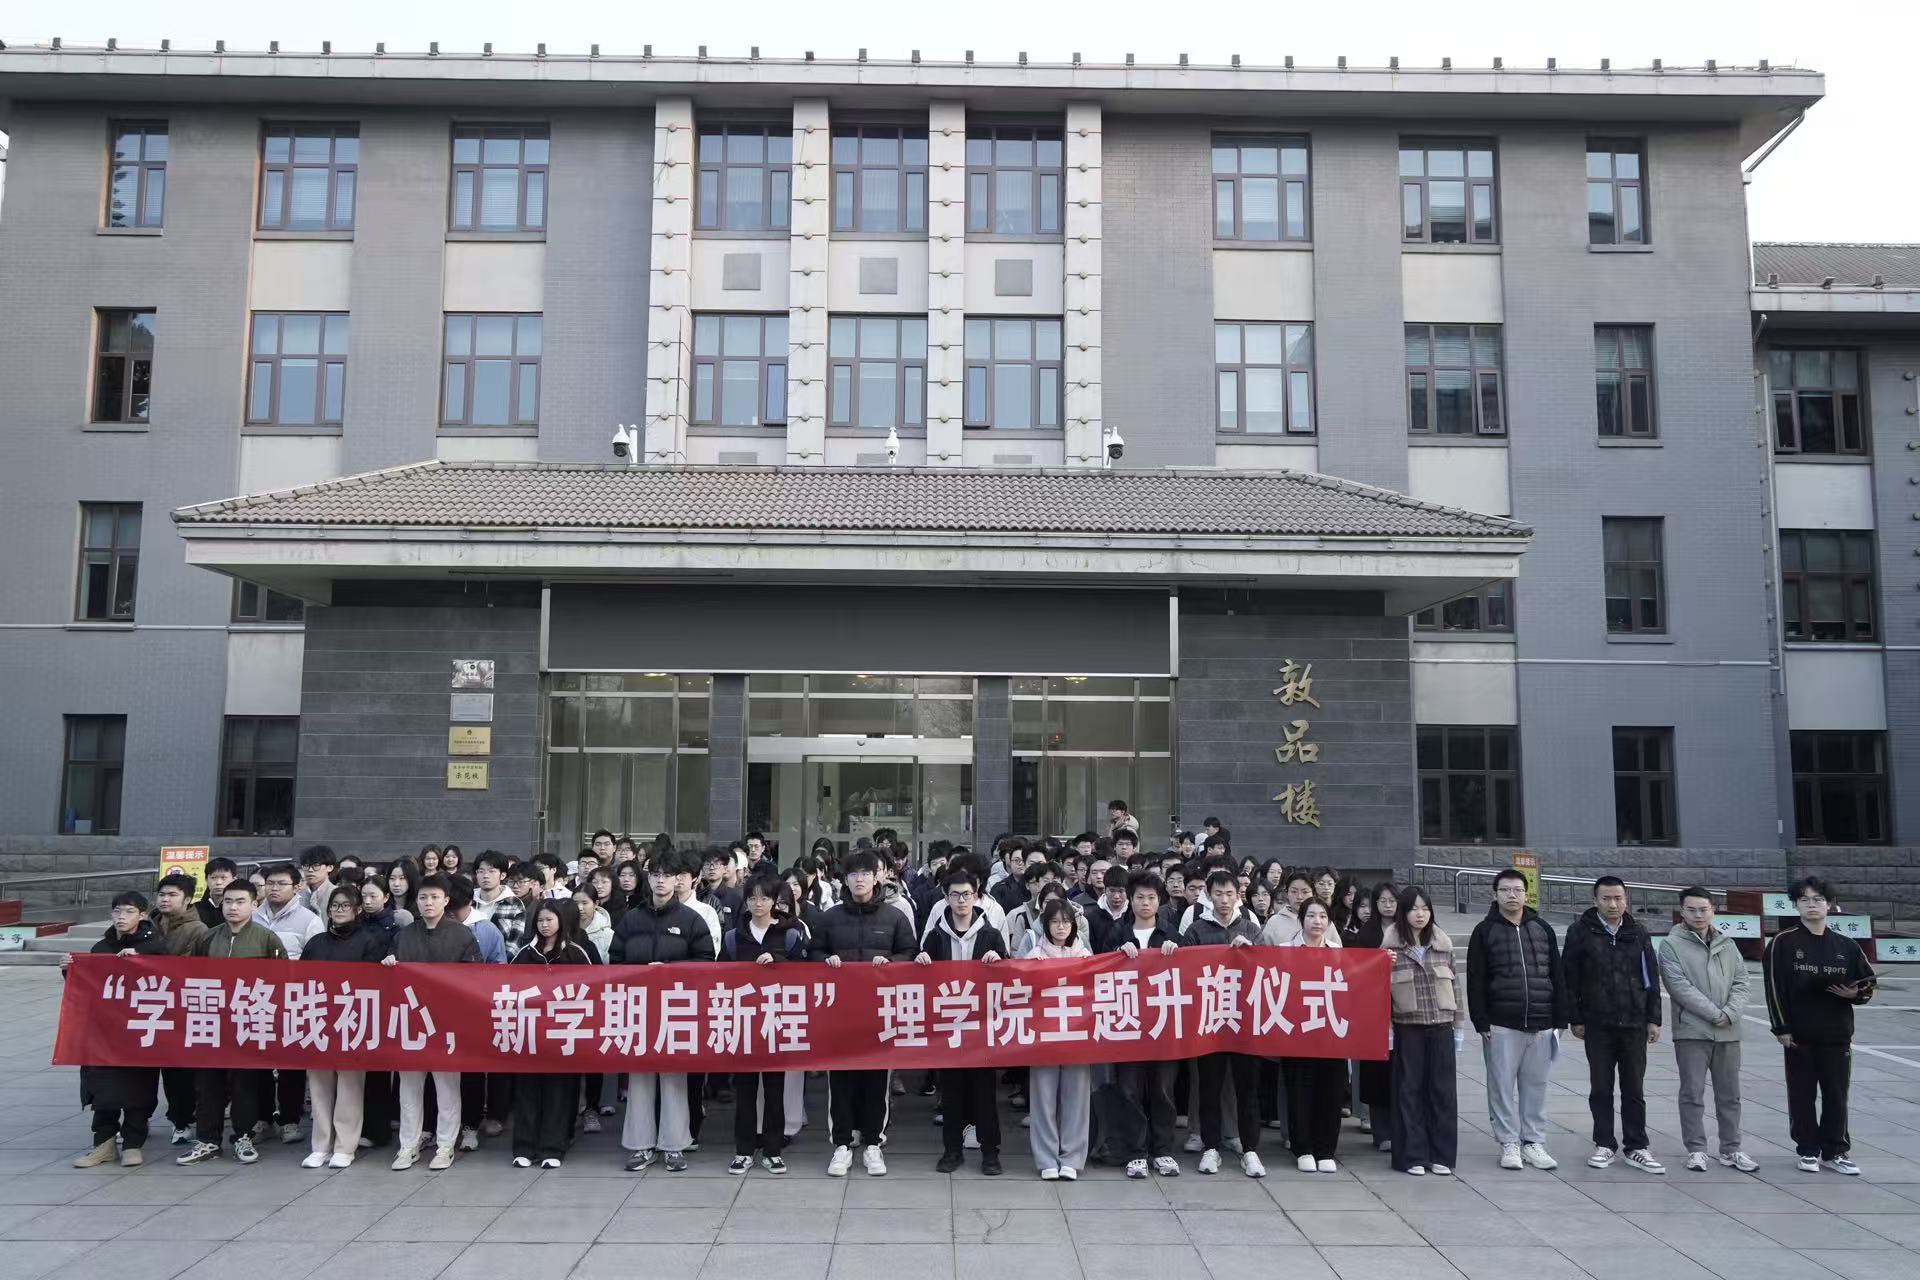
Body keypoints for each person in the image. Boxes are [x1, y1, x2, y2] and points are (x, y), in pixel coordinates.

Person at [812, 849, 917, 1177]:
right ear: (845, 879)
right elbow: (813, 952)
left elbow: (910, 952)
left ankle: (874, 1143)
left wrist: (892, 964)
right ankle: (842, 1145)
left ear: (878, 877)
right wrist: (825, 961)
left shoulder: (894, 916)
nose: (860, 879)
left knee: (876, 1081)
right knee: (840, 1081)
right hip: (839, 1013)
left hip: (880, 1014)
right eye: (854, 873)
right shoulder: (830, 917)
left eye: (866, 873)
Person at [611, 848, 715, 1173]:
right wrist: (638, 975)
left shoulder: (690, 919)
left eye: (667, 875)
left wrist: (670, 971)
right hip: (639, 1007)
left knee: (673, 1078)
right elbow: (615, 960)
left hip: (676, 1008)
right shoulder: (632, 918)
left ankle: (674, 1145)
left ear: (679, 879)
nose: (661, 881)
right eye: (655, 874)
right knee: (640, 1077)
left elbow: (705, 961)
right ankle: (641, 1145)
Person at [1764, 875, 1876, 1175]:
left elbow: (1868, 983)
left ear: (1829, 905)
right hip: (1799, 1035)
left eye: (1818, 900)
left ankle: (1835, 1150)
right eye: (1804, 900)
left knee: (1837, 1095)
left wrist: (1856, 994)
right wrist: (1781, 1027)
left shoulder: (1847, 945)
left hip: (1837, 1033)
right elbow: (1774, 988)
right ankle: (1808, 1149)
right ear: (1796, 905)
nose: (1811, 905)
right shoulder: (1782, 943)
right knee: (1801, 1094)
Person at [177, 879, 287, 1166]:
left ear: (254, 904)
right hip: (212, 1022)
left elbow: (281, 982)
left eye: (240, 901)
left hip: (248, 1023)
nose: (233, 907)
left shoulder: (267, 939)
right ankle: (207, 1140)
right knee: (207, 1085)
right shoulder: (208, 938)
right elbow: (192, 975)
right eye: (228, 901)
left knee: (244, 1085)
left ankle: (243, 1136)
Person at [1467, 868, 1568, 1172]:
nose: (1512, 895)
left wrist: (1561, 1018)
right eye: (1505, 890)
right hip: (1501, 1023)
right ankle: (1508, 1142)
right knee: (1500, 1086)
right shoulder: (1484, 931)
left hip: (1541, 1021)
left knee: (1536, 1085)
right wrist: (1481, 1021)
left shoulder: (1542, 928)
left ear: (1526, 894)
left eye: (1517, 890)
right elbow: (1475, 979)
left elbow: (1557, 975)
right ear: (1495, 894)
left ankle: (1533, 1142)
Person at [1563, 876, 1665, 1174]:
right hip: (1598, 1023)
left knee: (1634, 1087)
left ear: (1626, 899)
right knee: (1601, 1087)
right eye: (1606, 898)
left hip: (1634, 1022)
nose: (1613, 904)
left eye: (1618, 898)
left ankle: (1636, 1145)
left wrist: (1653, 1018)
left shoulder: (1638, 932)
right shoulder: (1580, 932)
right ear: (1595, 900)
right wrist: (1576, 1018)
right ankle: (1604, 1143)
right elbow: (1570, 978)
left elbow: (1650, 977)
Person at [382, 873, 480, 1171]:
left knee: (447, 1088)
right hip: (411, 1021)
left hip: (447, 1023)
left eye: (435, 897)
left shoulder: (462, 935)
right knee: (409, 1088)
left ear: (446, 900)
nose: (428, 902)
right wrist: (388, 964)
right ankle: (408, 1145)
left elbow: (474, 978)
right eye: (423, 897)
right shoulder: (405, 935)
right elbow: (389, 976)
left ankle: (445, 1145)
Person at [916, 868, 1009, 1177]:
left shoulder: (990, 934)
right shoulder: (936, 935)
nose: (961, 900)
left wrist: (999, 960)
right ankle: (952, 1151)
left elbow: (1009, 974)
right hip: (949, 1027)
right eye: (954, 895)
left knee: (984, 1093)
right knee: (952, 1092)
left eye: (966, 894)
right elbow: (921, 977)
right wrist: (921, 961)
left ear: (976, 895)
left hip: (981, 1026)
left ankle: (990, 1152)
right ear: (946, 898)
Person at [1658, 887, 1757, 1173]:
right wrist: (1716, 1014)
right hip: (1692, 1031)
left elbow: (1742, 981)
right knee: (1692, 1093)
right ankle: (1696, 1149)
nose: (1698, 915)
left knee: (1730, 1094)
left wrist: (1730, 1013)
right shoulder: (1671, 945)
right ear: (1682, 912)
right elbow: (1679, 987)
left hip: (1728, 1031)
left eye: (1703, 909)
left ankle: (1731, 1149)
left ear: (1713, 910)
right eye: (1691, 910)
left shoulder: (1727, 943)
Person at [68, 892, 165, 1167]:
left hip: (141, 1027)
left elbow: (169, 976)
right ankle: (104, 1144)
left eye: (128, 912)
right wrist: (70, 970)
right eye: (117, 912)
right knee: (103, 1086)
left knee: (138, 1086)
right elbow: (87, 985)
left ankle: (133, 1143)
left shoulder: (156, 946)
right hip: (105, 1030)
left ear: (142, 915)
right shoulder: (101, 947)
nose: (121, 917)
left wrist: (141, 959)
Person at [1182, 868, 1265, 1177]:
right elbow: (1186, 970)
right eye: (1218, 893)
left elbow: (1267, 970)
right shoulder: (1196, 929)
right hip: (1210, 1021)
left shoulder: (1251, 928)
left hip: (1244, 1020)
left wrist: (1252, 952)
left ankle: (1250, 1149)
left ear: (1238, 895)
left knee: (1247, 1088)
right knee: (1210, 1087)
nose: (1225, 899)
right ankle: (1211, 1147)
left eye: (1230, 893)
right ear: (1209, 895)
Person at [722, 873, 806, 1175]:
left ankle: (773, 1150)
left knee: (774, 1090)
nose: (758, 903)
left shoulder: (790, 934)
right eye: (752, 898)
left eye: (764, 898)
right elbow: (719, 975)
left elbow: (806, 972)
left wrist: (779, 961)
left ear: (774, 901)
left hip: (777, 1020)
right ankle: (743, 1150)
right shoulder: (734, 937)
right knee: (744, 1091)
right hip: (744, 1021)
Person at [300, 886, 389, 1169]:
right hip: (318, 1018)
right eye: (334, 905)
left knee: (350, 1085)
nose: (338, 910)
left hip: (352, 1020)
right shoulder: (316, 943)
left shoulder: (370, 941)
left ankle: (345, 1146)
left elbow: (376, 984)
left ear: (357, 909)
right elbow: (300, 979)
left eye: (345, 905)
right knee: (319, 1085)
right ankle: (320, 1145)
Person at [509, 899, 598, 1168]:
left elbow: (592, 989)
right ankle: (524, 1147)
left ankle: (553, 1148)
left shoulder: (575, 953)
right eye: (540, 920)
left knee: (559, 1093)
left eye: (549, 919)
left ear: (560, 920)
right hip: (530, 1033)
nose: (544, 925)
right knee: (527, 1091)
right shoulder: (525, 953)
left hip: (564, 1033)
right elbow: (508, 987)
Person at [1383, 888, 1464, 1176]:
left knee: (1443, 1092)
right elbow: (1381, 992)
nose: (1420, 914)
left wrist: (1459, 1026)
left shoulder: (1443, 945)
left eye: (1425, 909)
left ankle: (1441, 1155)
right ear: (1403, 913)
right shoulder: (1391, 948)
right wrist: (1387, 1030)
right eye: (1414, 909)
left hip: (1441, 1026)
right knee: (1409, 1092)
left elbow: (1455, 987)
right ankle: (1412, 1155)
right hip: (1408, 1028)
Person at [1109, 871, 1182, 1179]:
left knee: (1163, 1090)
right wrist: (1116, 956)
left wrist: (1177, 956)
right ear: (1130, 899)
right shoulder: (1117, 933)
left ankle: (1162, 1150)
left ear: (1159, 900)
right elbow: (1100, 973)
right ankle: (1136, 1152)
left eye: (1151, 897)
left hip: (1163, 1025)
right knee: (1129, 1090)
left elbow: (1187, 977)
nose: (1145, 903)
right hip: (1128, 1025)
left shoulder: (1170, 934)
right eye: (1139, 897)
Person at [1022, 898, 1090, 1180]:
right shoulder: (1033, 954)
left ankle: (1071, 1158)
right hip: (1044, 1036)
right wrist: (1029, 968)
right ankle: (1046, 1158)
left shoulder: (1085, 955)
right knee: (1043, 1098)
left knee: (1077, 1097)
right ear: (1045, 924)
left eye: (1066, 921)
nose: (1061, 927)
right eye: (1054, 921)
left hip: (1077, 1034)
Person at [1283, 900, 1346, 1173]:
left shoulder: (1338, 952)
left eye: (1322, 916)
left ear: (1329, 921)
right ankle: (1303, 1148)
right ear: (1301, 919)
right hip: (1296, 1033)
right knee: (1299, 1090)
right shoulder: (1285, 951)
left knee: (1331, 1090)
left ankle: (1326, 1149)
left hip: (1330, 1032)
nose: (1317, 921)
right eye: (1311, 915)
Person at [146, 873, 208, 1144]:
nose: (165, 900)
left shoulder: (198, 930)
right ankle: (142, 1117)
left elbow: (193, 967)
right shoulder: (147, 925)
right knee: (147, 1067)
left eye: (172, 895)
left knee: (178, 1070)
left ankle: (183, 1120)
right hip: (149, 1004)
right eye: (162, 894)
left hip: (181, 1007)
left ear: (187, 899)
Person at [1352, 883, 1399, 1150]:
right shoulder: (1366, 934)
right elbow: (1358, 970)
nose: (1388, 905)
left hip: (1404, 1009)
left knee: (1401, 1073)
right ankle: (1382, 1133)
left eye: (1392, 900)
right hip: (1374, 1011)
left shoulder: (1407, 930)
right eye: (1382, 901)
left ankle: (1401, 1129)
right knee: (1377, 1074)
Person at [472, 850, 527, 954]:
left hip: (501, 962)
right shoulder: (468, 900)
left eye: (491, 871)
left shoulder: (514, 904)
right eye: (481, 871)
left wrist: (500, 962)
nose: (485, 875)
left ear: (502, 875)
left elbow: (514, 945)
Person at [194, 857, 240, 927]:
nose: (218, 882)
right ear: (206, 880)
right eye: (213, 878)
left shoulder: (240, 908)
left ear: (234, 879)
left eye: (223, 878)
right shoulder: (195, 909)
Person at [296, 845, 337, 916]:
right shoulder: (297, 895)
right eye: (306, 865)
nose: (310, 870)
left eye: (316, 865)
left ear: (330, 867)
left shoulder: (337, 893)